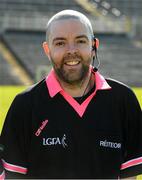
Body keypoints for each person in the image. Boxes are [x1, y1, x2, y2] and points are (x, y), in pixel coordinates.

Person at [0, 9, 142, 179]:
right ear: (47, 49)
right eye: (60, 43)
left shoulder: (124, 100)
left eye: (80, 41)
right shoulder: (24, 105)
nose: (71, 50)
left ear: (94, 45)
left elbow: (129, 176)